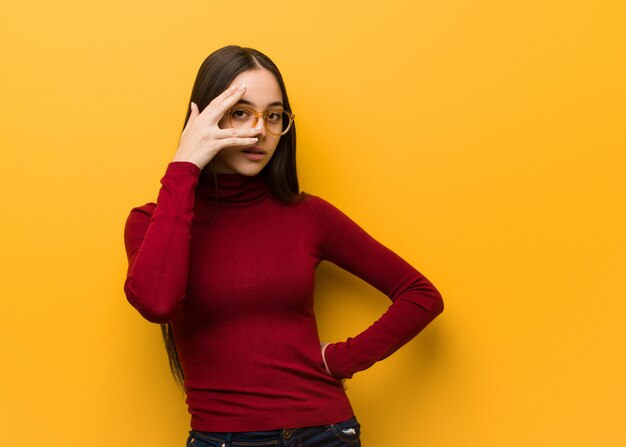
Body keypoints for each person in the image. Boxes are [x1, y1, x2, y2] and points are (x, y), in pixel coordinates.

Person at [123, 45, 444, 447]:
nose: (260, 131)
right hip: (222, 438)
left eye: (273, 116)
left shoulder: (308, 215)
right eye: (241, 112)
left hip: (325, 433)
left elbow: (421, 295)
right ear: (205, 118)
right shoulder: (151, 221)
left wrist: (343, 359)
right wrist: (185, 165)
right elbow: (157, 303)